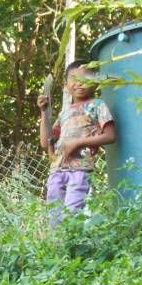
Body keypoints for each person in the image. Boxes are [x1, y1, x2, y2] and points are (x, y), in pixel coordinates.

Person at [37, 61, 116, 218]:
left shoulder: (97, 105)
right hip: (56, 171)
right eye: (74, 79)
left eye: (85, 79)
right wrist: (44, 112)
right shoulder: (64, 113)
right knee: (54, 217)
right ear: (66, 85)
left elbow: (110, 136)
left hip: (80, 170)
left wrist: (78, 142)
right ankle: (57, 236)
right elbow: (46, 142)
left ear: (95, 82)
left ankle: (73, 235)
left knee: (72, 215)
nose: (79, 83)